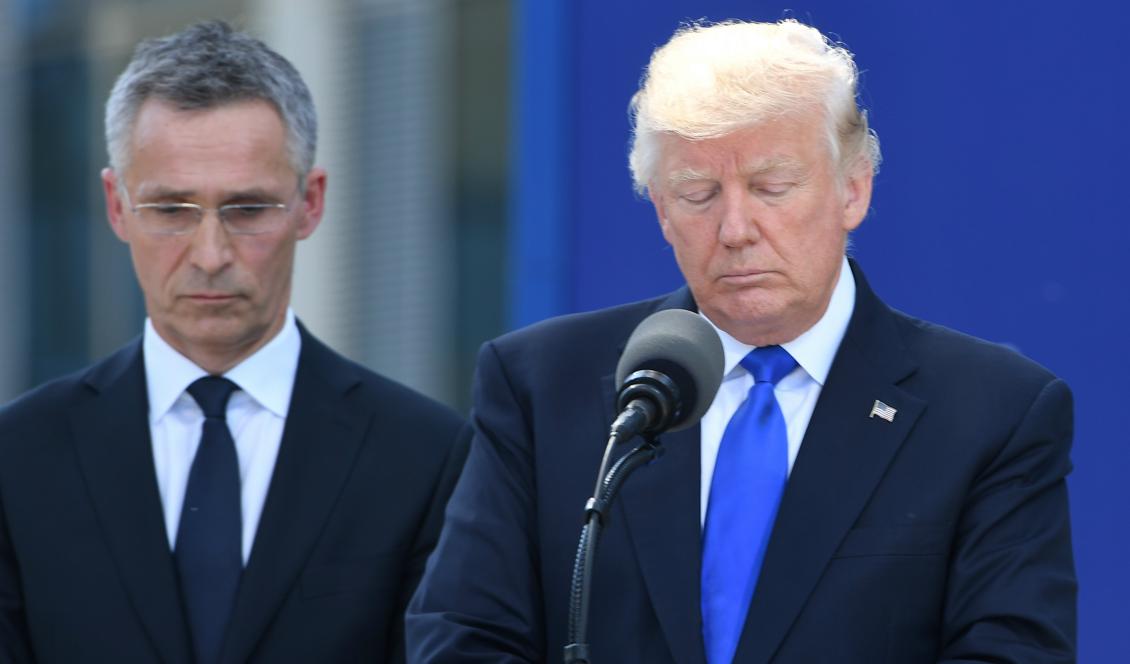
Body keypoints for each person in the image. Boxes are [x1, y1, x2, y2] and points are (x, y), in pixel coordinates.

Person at [406, 19, 1076, 664]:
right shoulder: (541, 386)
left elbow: (1012, 651)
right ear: (662, 211)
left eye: (771, 188)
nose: (735, 228)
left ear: (854, 189)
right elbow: (462, 637)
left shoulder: (991, 413)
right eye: (698, 194)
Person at [0, 20, 468, 664]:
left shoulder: (426, 459)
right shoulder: (19, 459)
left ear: (310, 203)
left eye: (247, 209)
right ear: (116, 205)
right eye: (171, 211)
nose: (211, 254)